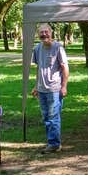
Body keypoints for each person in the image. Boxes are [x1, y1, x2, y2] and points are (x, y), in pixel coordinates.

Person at [31, 24, 69, 153]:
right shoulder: (37, 48)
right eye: (41, 32)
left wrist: (64, 86)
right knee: (46, 117)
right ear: (38, 34)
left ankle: (54, 144)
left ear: (51, 33)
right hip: (42, 90)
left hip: (54, 89)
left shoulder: (58, 47)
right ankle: (51, 142)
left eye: (46, 32)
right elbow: (38, 68)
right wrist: (36, 86)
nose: (44, 34)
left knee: (53, 117)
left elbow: (65, 68)